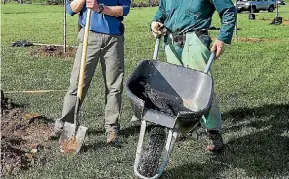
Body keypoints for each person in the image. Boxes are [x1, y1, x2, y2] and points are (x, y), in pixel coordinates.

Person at [150, 0, 237, 152]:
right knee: (177, 89)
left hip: (195, 39)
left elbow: (229, 10)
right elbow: (163, 9)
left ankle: (213, 132)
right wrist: (156, 22)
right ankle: (185, 126)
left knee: (202, 89)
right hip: (171, 42)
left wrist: (222, 38)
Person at [54, 0, 131, 146]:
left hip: (113, 39)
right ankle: (65, 124)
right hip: (89, 35)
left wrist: (100, 8)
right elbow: (70, 9)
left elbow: (124, 10)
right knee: (77, 83)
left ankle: (112, 130)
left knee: (114, 86)